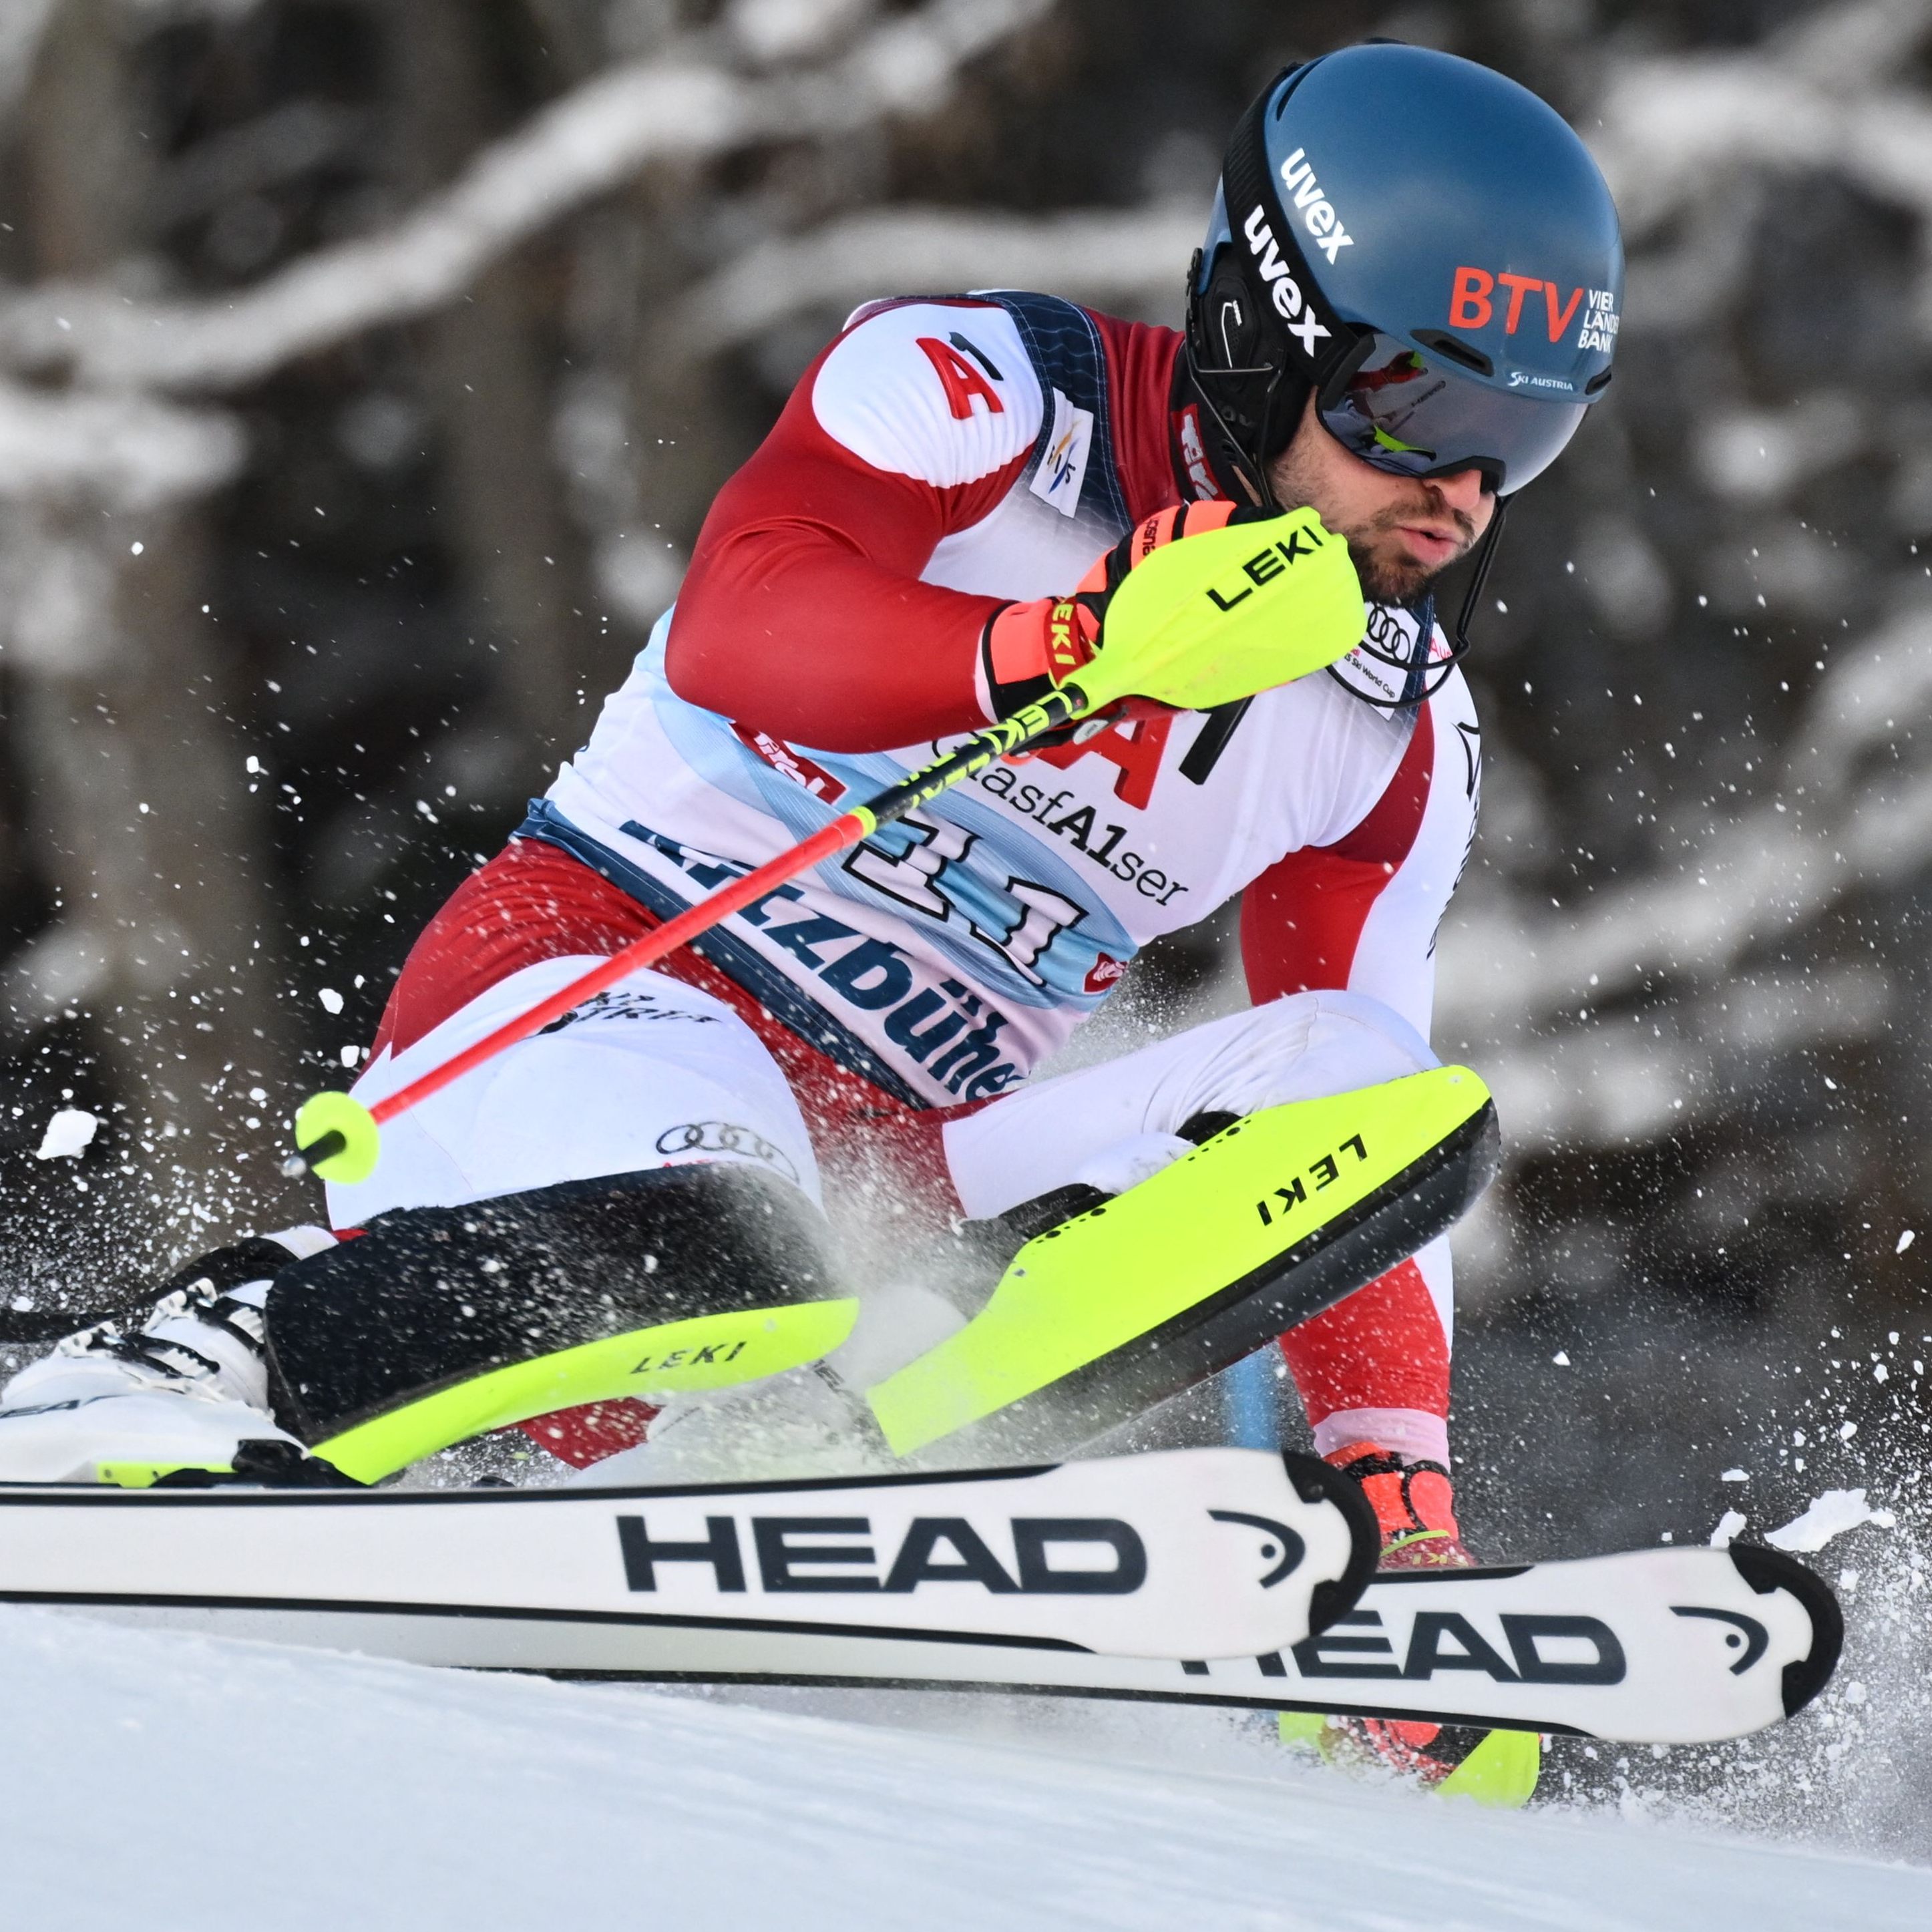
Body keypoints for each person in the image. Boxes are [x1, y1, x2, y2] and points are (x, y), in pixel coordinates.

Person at [0, 43, 1619, 1794]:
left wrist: (1393, 1491)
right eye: (1414, 413)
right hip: (586, 986)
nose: (1460, 496)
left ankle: (1243, 1543)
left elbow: (1347, 1135)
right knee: (733, 1244)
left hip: (882, 1181)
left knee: (1383, 1092)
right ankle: (197, 1358)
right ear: (1262, 331)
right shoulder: (983, 395)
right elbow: (742, 620)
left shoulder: (1393, 731)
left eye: (1522, 439)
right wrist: (1063, 642)